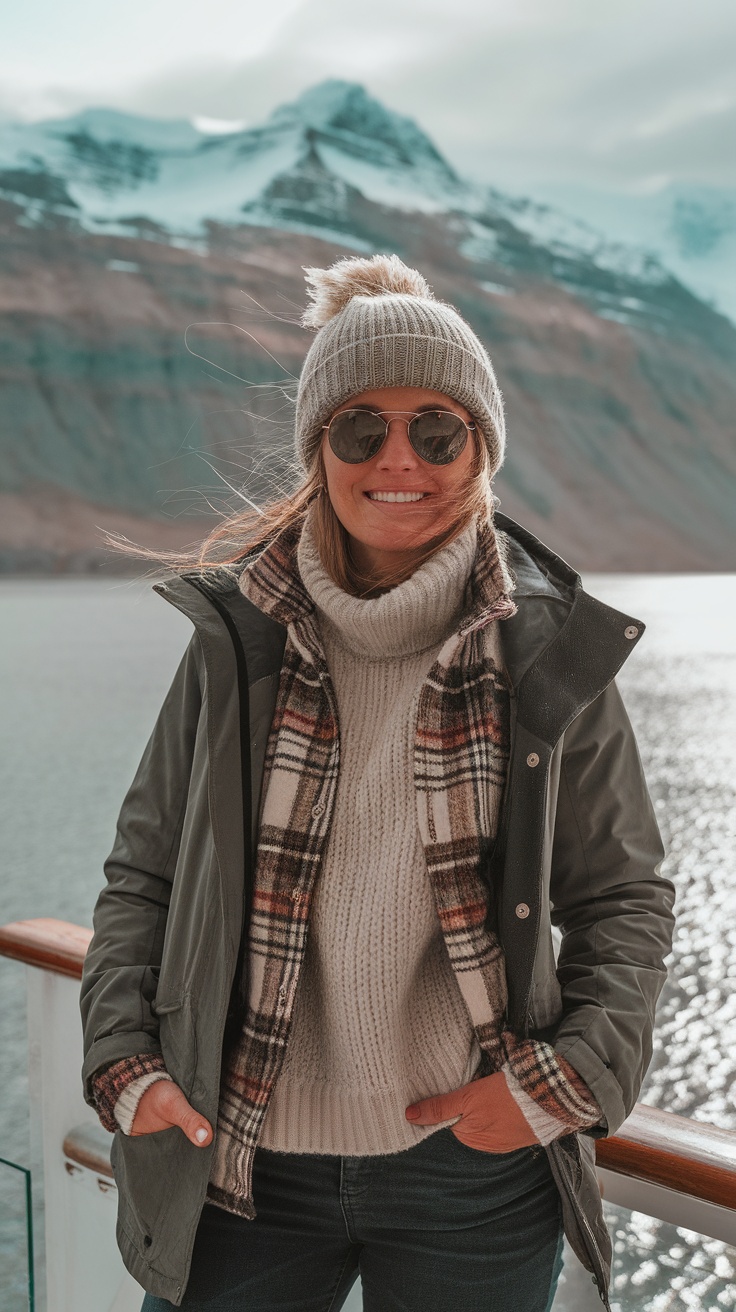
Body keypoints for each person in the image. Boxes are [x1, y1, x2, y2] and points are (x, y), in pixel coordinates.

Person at [80, 253, 676, 1312]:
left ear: (478, 450)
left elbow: (622, 897)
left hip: (473, 1174)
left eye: (435, 430)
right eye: (362, 428)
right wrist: (127, 1058)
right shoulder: (236, 639)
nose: (397, 458)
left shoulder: (547, 651)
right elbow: (145, 873)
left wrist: (563, 1082)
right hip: (238, 1165)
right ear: (320, 446)